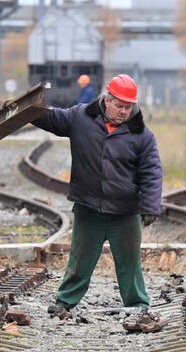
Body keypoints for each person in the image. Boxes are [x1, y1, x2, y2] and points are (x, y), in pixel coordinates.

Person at [31, 73, 164, 329]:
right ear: (107, 99)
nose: (123, 112)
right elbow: (53, 119)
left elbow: (152, 172)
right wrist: (27, 110)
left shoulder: (142, 136)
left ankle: (137, 306)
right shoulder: (81, 117)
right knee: (80, 258)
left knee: (129, 261)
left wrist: (150, 206)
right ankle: (65, 302)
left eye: (128, 107)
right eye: (119, 105)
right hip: (88, 207)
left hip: (125, 212)